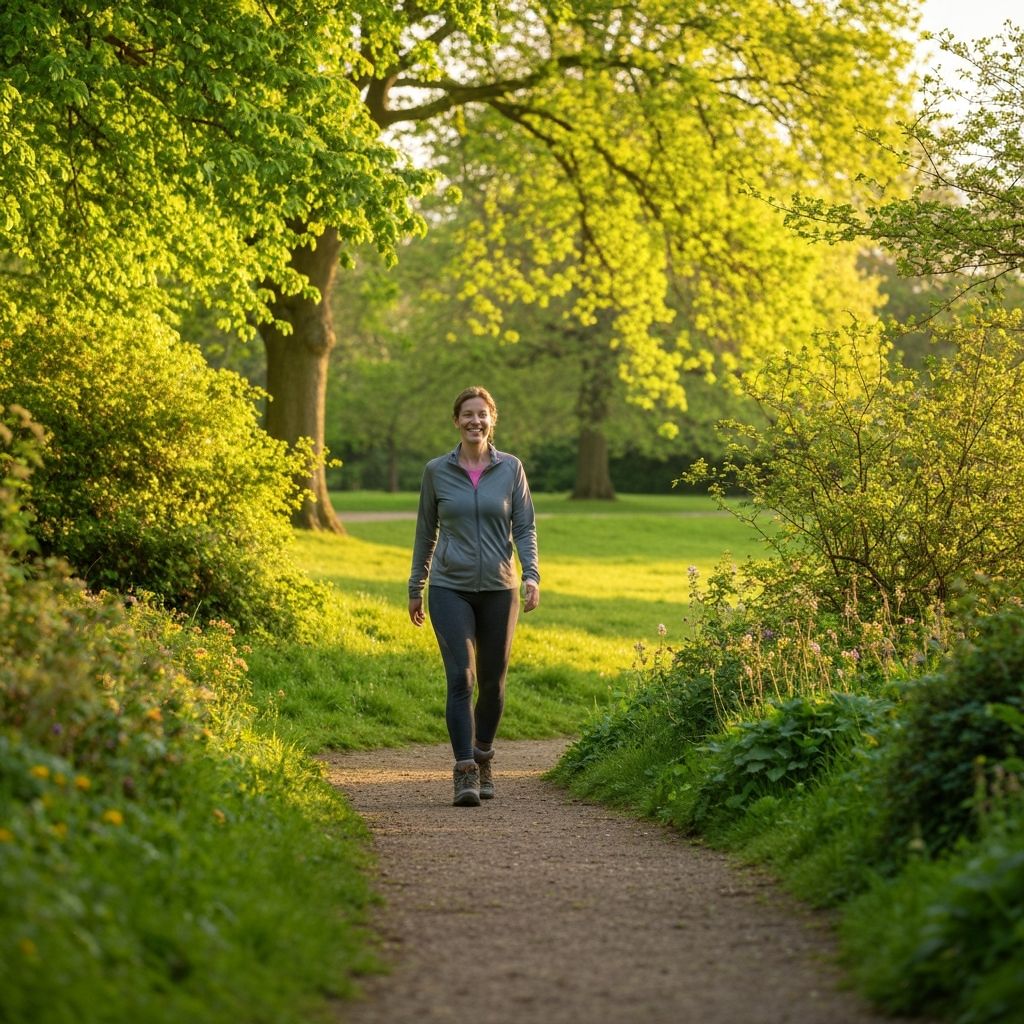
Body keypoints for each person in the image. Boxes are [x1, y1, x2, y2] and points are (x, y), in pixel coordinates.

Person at [408, 386, 541, 807]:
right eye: (467, 414)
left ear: (492, 420)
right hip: (450, 587)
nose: (475, 421)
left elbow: (524, 527)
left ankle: (483, 755)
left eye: (482, 414)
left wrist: (531, 574)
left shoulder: (511, 469)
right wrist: (416, 586)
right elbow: (425, 531)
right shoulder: (436, 471)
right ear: (456, 421)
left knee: (493, 684)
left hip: (501, 588)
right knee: (460, 678)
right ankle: (464, 770)